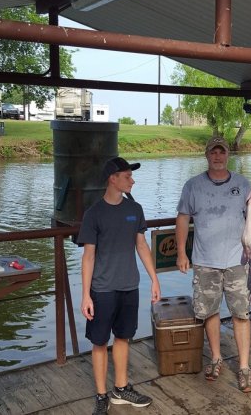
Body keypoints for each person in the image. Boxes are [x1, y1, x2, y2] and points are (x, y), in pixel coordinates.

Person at [78, 157, 161, 415]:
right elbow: (88, 257)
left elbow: (142, 246)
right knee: (100, 341)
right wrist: (85, 296)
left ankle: (121, 388)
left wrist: (154, 279)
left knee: (124, 337)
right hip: (102, 289)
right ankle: (102, 395)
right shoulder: (93, 214)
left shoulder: (135, 210)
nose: (132, 180)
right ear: (112, 179)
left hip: (129, 286)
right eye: (127, 176)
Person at [175, 136, 251, 392]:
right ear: (206, 155)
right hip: (204, 262)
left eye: (222, 152)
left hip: (238, 262)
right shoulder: (192, 186)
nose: (218, 156)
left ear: (228, 155)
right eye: (213, 152)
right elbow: (182, 218)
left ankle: (244, 367)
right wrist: (180, 252)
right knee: (210, 312)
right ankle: (217, 358)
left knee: (241, 314)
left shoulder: (243, 184)